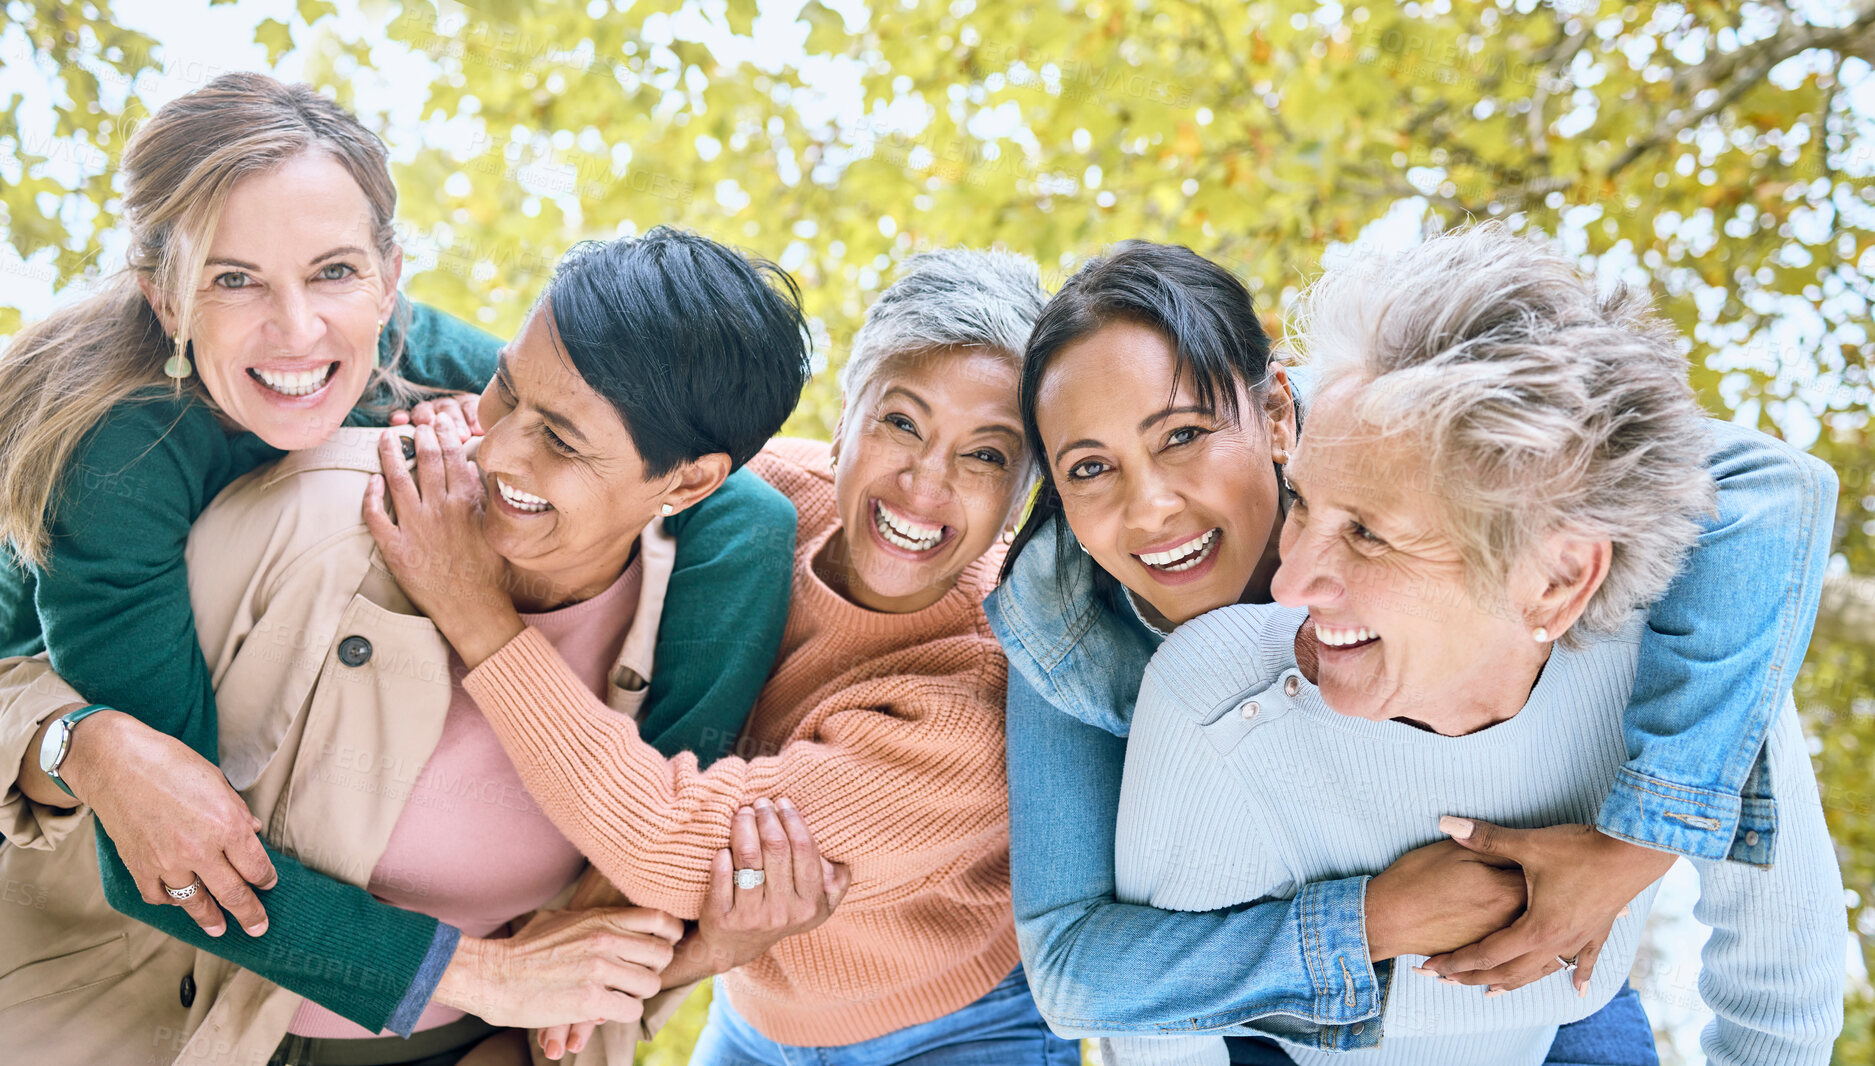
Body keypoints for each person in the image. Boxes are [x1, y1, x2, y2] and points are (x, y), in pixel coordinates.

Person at [0, 71, 798, 1046]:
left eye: (333, 271)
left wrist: (626, 867)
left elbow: (730, 501)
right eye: (232, 277)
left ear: (389, 274)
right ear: (164, 297)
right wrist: (483, 975)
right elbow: (168, 850)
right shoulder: (121, 460)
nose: (297, 329)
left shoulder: (412, 351)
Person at [987, 238, 1837, 1059]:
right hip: (1279, 1013)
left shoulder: (1396, 431)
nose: (1150, 507)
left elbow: (1760, 485)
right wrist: (1375, 919)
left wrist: (1633, 847)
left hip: (1536, 973)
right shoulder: (1072, 642)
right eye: (1089, 469)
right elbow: (1077, 971)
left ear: (1279, 415)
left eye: (1181, 435)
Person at [366, 249, 1083, 1065]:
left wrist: (473, 610)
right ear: (845, 419)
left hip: (948, 1024)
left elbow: (671, 841)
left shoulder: (982, 688)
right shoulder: (771, 495)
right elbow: (579, 400)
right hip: (754, 1017)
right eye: (901, 422)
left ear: (1027, 491)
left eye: (986, 455)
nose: (925, 483)